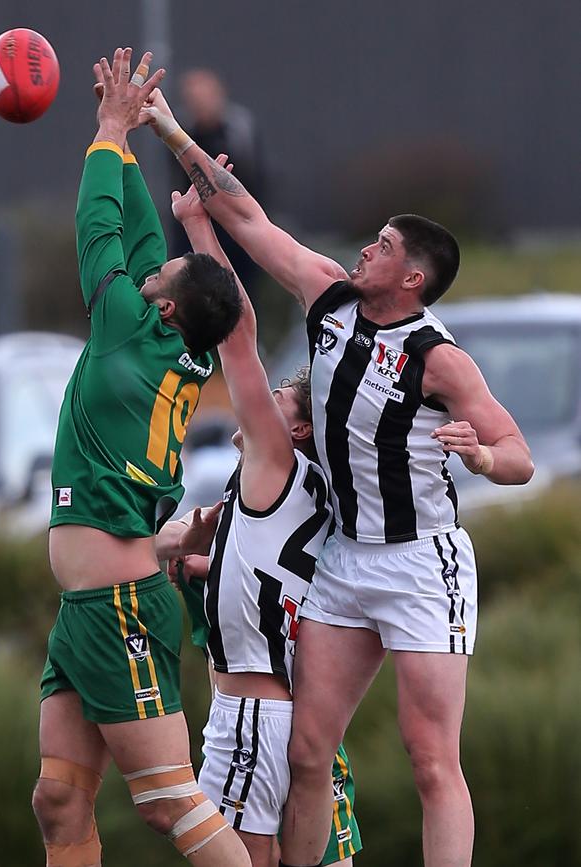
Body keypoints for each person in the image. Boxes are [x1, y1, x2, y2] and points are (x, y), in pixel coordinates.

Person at [144, 91, 535, 867]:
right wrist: (167, 126)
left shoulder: (439, 358)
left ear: (414, 276)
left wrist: (482, 457)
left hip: (423, 561)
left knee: (430, 758)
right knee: (308, 749)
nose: (367, 249)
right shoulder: (329, 296)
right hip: (349, 560)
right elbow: (249, 218)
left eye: (384, 245)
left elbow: (519, 452)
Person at [31, 48, 251, 867]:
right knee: (57, 799)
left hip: (121, 604)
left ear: (164, 304)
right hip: (86, 612)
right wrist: (124, 144)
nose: (149, 265)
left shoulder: (128, 326)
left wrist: (106, 130)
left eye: (160, 272)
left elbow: (100, 232)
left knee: (166, 801)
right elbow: (141, 231)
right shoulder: (171, 341)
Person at [157, 167, 362, 867]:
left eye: (282, 398)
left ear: (299, 432)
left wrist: (196, 227)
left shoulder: (277, 462)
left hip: (251, 711)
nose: (265, 399)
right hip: (271, 711)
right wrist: (209, 566)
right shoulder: (295, 488)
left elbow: (236, 334)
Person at [168, 68, 265, 308]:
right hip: (196, 224)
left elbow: (254, 176)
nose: (199, 104)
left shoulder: (238, 129)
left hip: (236, 227)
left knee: (241, 298)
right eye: (193, 98)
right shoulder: (183, 131)